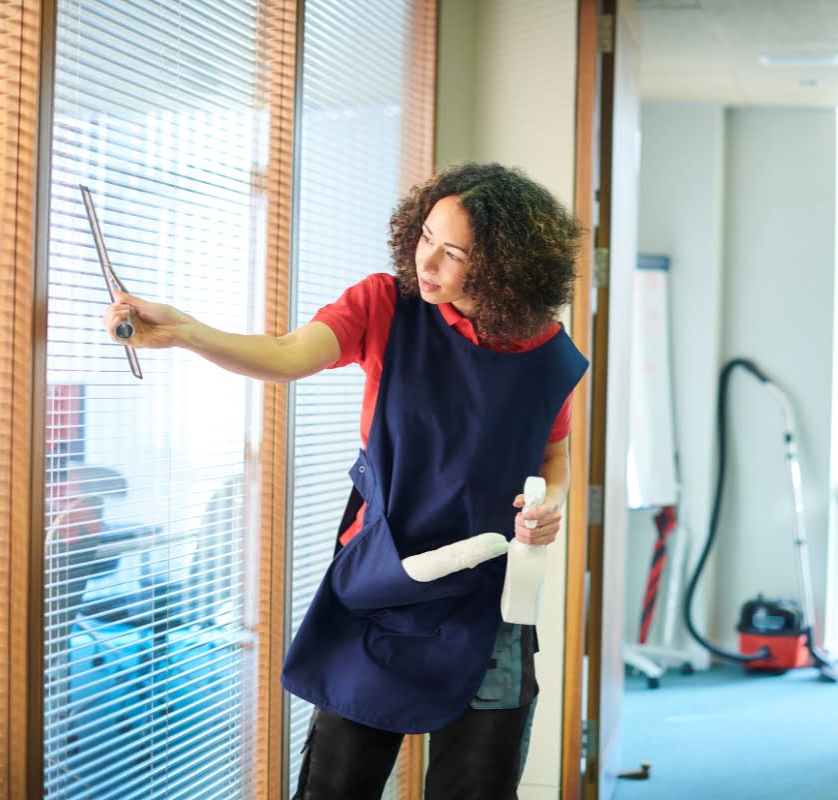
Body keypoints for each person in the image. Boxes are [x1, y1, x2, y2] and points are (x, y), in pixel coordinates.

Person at [102, 162, 589, 799]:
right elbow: (286, 355)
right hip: (382, 573)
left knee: (477, 787)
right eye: (424, 239)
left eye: (453, 253)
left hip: (487, 591)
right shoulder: (386, 305)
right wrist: (188, 332)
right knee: (336, 785)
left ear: (503, 266)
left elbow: (555, 454)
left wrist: (551, 503)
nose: (428, 262)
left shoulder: (546, 354)